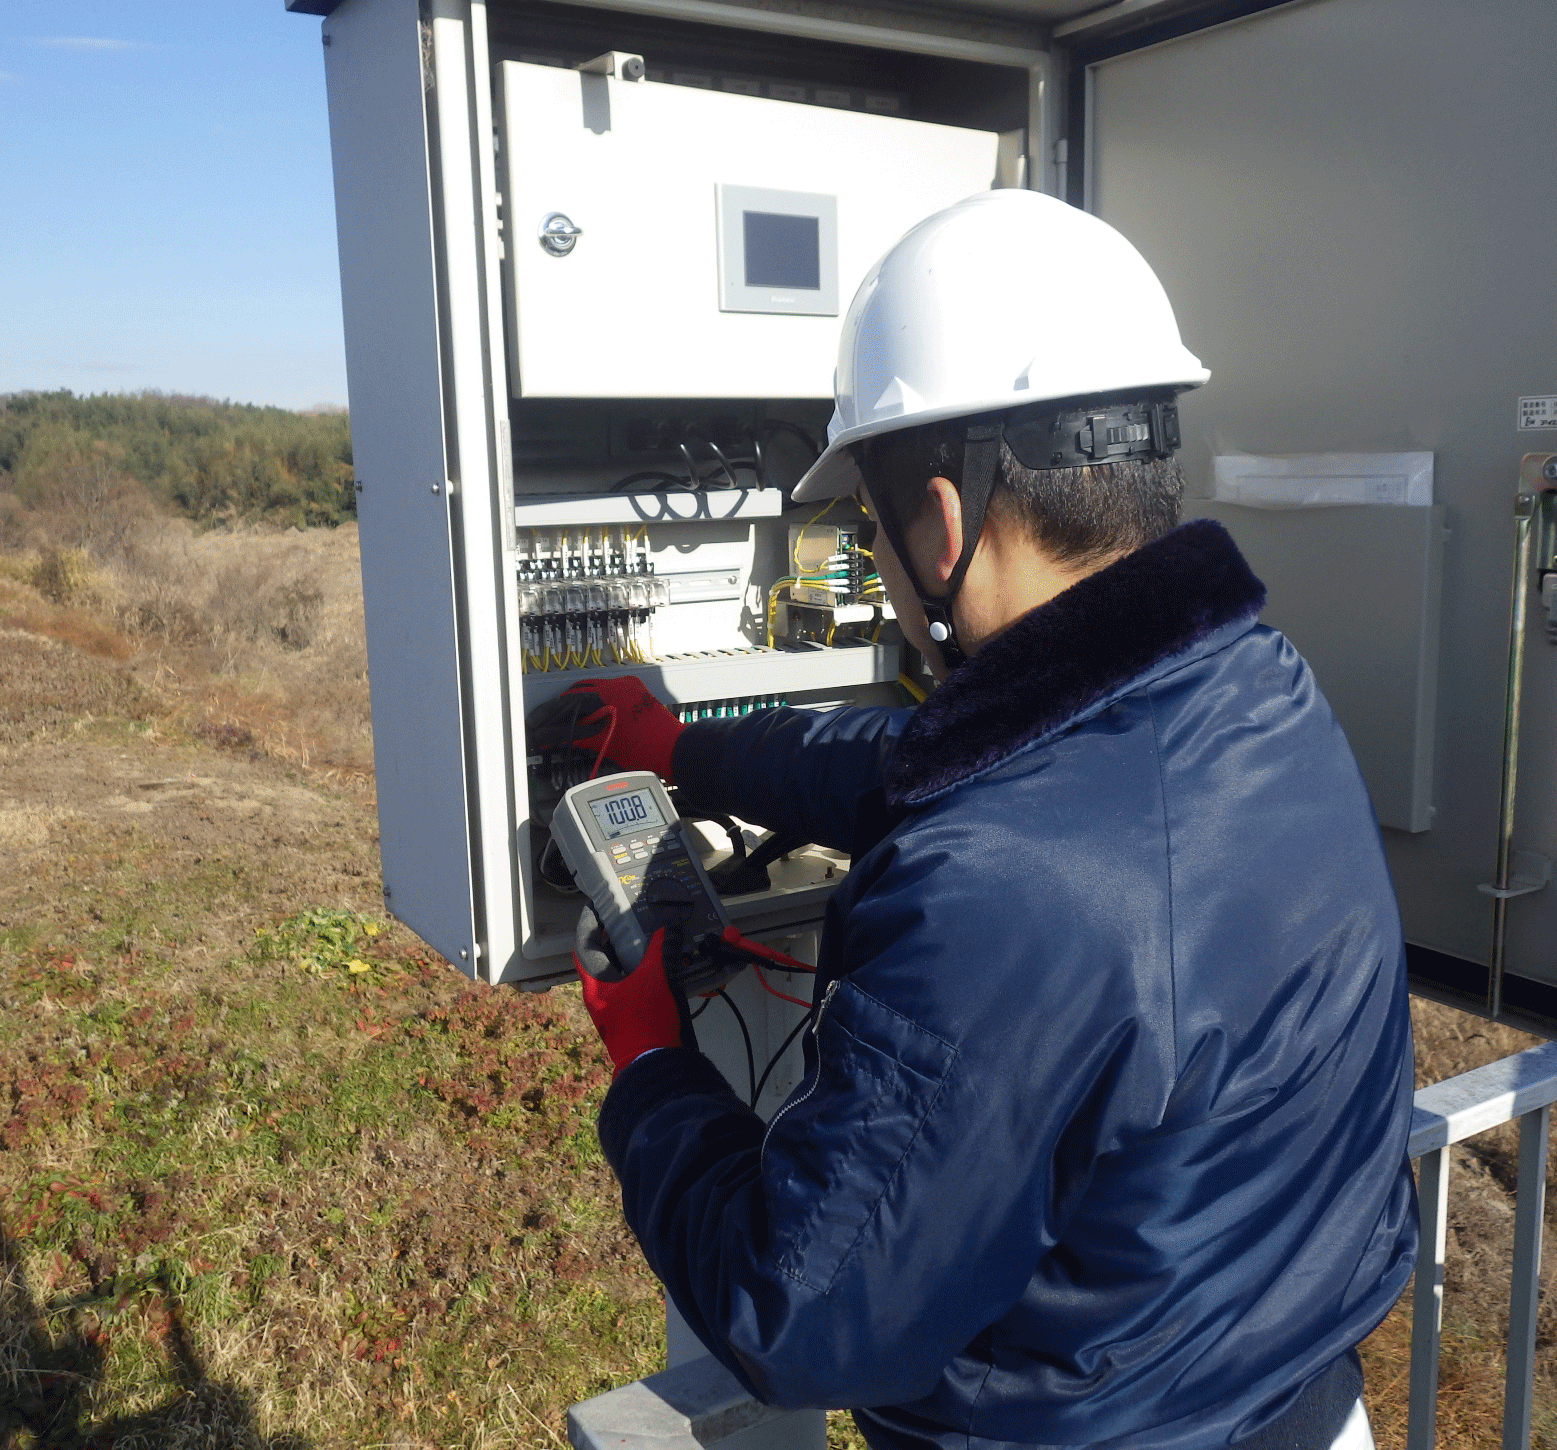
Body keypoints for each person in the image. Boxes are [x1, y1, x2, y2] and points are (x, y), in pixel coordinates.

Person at [541, 190, 1416, 1450]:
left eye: (869, 526)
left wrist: (651, 1070)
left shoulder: (997, 881)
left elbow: (806, 1316)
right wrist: (686, 746)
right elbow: (928, 764)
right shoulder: (1250, 689)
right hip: (1295, 1401)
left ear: (939, 522)